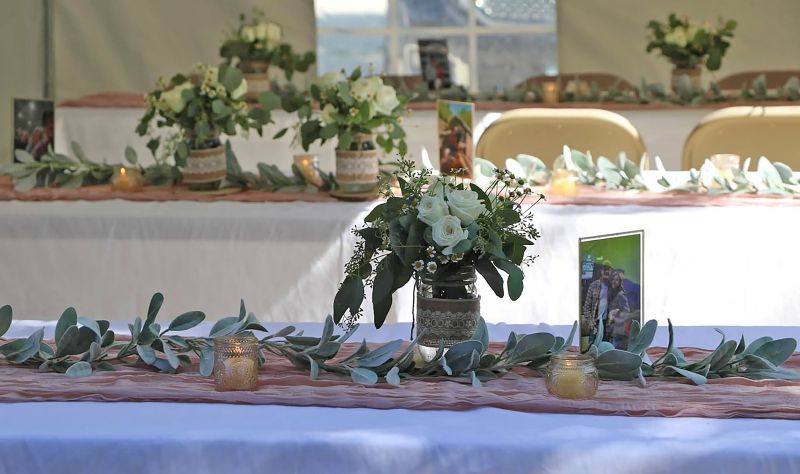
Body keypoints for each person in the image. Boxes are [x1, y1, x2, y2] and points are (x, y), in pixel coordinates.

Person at [581, 260, 612, 346]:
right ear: (600, 271)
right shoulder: (593, 285)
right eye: (605, 269)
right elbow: (586, 307)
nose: (607, 271)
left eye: (609, 269)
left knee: (606, 349)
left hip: (608, 325)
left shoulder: (613, 286)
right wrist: (591, 323)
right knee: (593, 349)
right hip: (595, 324)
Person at [607, 270, 631, 348]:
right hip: (612, 328)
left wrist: (615, 313)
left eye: (616, 280)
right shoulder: (613, 293)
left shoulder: (621, 294)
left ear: (620, 282)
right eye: (613, 279)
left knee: (615, 348)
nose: (614, 281)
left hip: (618, 328)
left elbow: (627, 311)